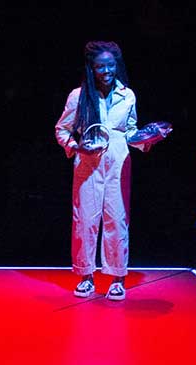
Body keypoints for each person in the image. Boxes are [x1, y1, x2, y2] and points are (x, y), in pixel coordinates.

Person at [54, 41, 153, 301]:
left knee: (117, 221)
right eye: (100, 66)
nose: (106, 71)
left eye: (110, 65)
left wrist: (148, 137)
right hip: (88, 166)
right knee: (86, 221)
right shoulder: (79, 96)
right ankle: (86, 276)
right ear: (92, 68)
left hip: (119, 163)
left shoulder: (127, 95)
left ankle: (117, 277)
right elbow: (62, 130)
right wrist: (77, 146)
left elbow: (130, 131)